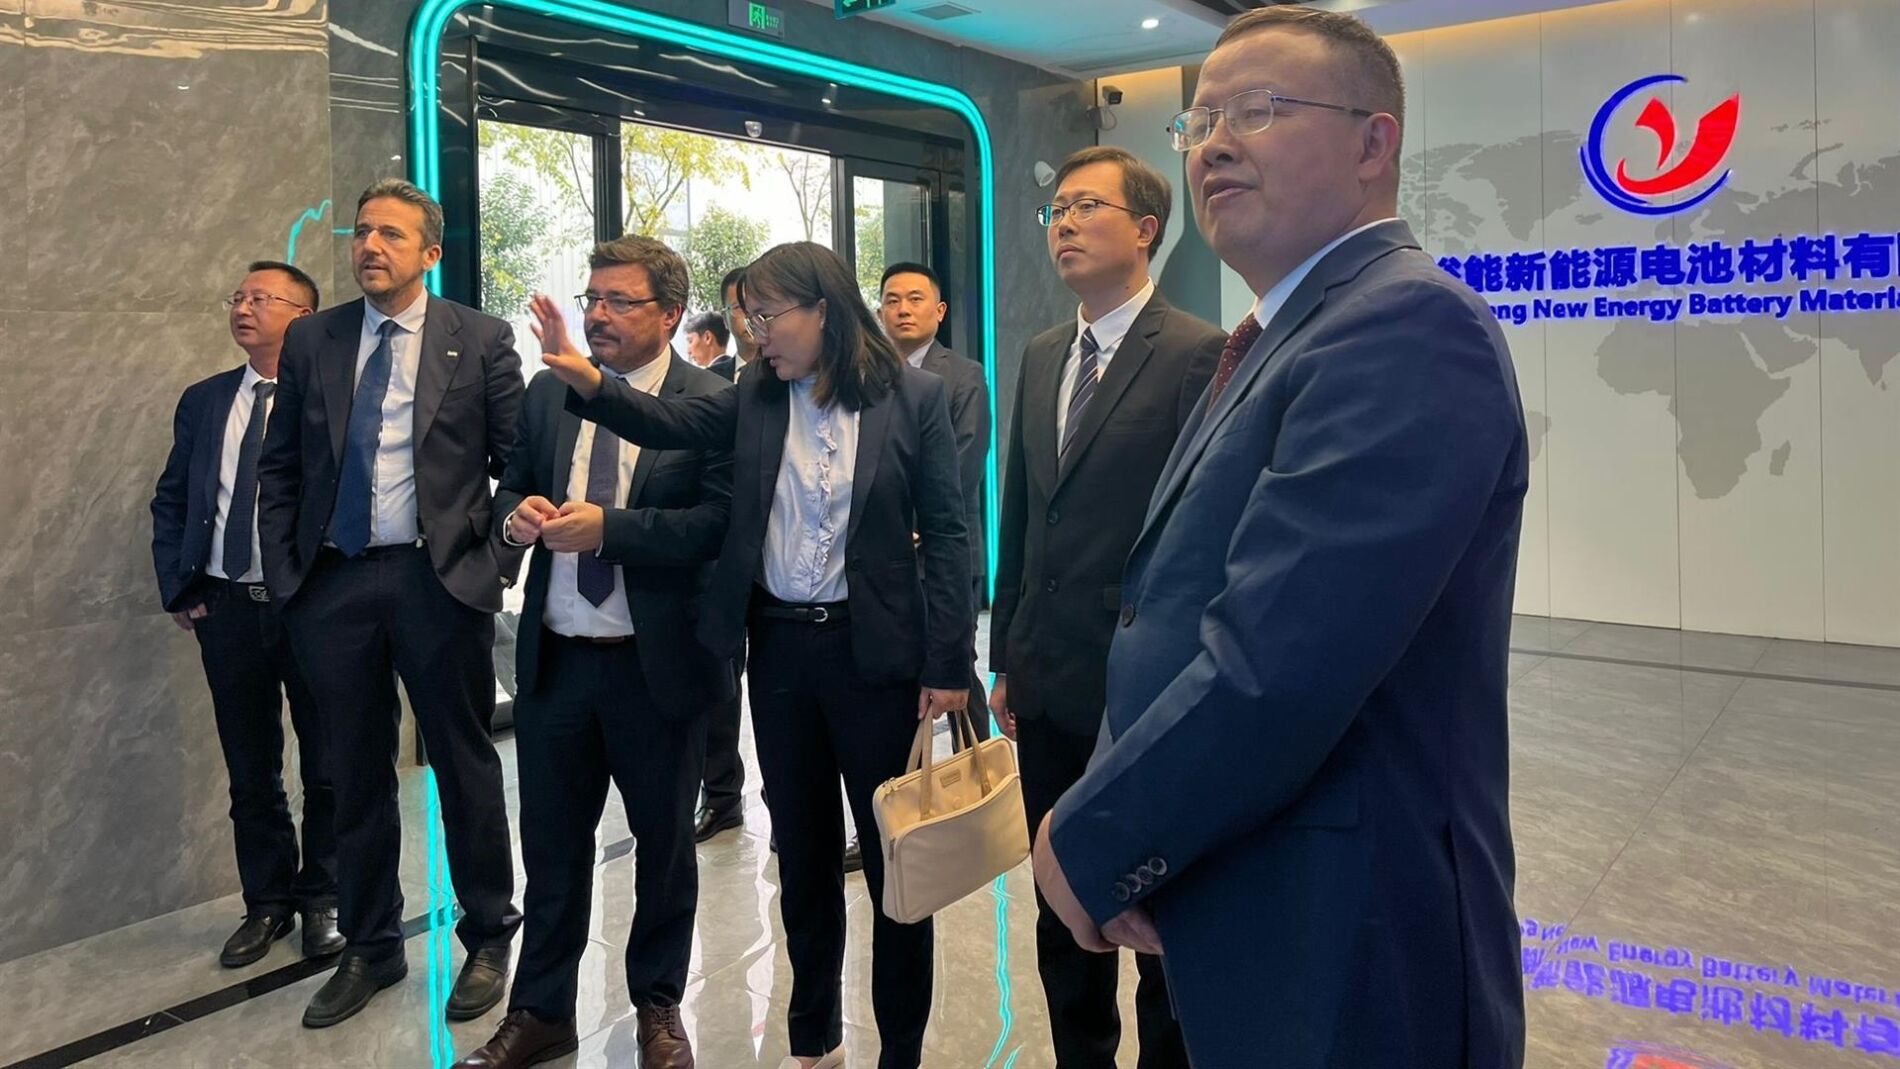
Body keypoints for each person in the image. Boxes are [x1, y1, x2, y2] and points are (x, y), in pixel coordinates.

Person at [1031, 9, 1529, 1069]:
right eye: (1200, 120)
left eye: (1257, 110)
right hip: (1254, 883)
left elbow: (1278, 660)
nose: (1213, 143)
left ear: (1372, 143)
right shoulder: (1279, 333)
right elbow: (1170, 606)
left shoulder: (1403, 326)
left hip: (1352, 930)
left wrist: (1095, 836)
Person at [535, 241, 970, 1069]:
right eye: (749, 317)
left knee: (896, 870)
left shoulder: (913, 398)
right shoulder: (756, 397)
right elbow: (665, 420)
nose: (755, 332)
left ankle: (901, 1052)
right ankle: (814, 1038)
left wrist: (949, 664)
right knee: (802, 857)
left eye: (768, 316)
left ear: (823, 311)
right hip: (780, 653)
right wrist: (586, 378)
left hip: (876, 658)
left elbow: (949, 533)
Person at [453, 237, 732, 1069]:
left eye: (619, 300)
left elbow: (713, 527)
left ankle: (659, 1006)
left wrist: (613, 529)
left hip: (658, 666)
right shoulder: (551, 392)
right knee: (553, 848)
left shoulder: (709, 402)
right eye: (592, 298)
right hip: (558, 662)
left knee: (664, 848)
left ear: (670, 314)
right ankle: (541, 1011)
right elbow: (514, 482)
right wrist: (516, 520)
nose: (598, 315)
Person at [257, 178, 527, 1030]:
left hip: (436, 583)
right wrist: (290, 578)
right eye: (363, 231)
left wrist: (492, 565)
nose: (370, 246)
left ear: (430, 253)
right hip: (333, 584)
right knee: (350, 771)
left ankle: (489, 933)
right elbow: (281, 465)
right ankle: (372, 943)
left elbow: (520, 465)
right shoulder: (315, 337)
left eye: (392, 235)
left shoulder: (478, 338)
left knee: (463, 762)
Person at [988, 146, 1220, 1069]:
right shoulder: (1044, 353)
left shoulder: (1197, 352)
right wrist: (1006, 654)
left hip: (1146, 691)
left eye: (1088, 206)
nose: (1065, 224)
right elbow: (1023, 512)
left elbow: (1200, 533)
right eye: (1058, 210)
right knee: (1061, 900)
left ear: (1146, 229)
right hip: (1047, 684)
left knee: (1159, 911)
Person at [150, 260, 346, 970]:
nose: (244, 307)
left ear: (303, 316)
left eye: (263, 298)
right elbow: (173, 499)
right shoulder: (206, 400)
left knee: (328, 762)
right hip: (229, 608)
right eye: (238, 296)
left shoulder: (331, 399)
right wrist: (181, 586)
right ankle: (266, 901)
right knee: (249, 767)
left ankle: (324, 898)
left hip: (311, 607)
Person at [878, 261, 991, 739]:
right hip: (887, 557)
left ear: (939, 311)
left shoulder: (964, 376)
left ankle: (979, 770)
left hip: (943, 553)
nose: (903, 309)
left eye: (915, 299)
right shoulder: (870, 378)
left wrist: (912, 525)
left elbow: (964, 463)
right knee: (898, 675)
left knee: (955, 671)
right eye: (892, 301)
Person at [694, 266, 758, 846]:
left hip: (785, 563)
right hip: (720, 557)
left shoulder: (800, 378)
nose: (750, 318)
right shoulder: (709, 383)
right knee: (718, 681)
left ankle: (794, 807)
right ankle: (721, 796)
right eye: (739, 307)